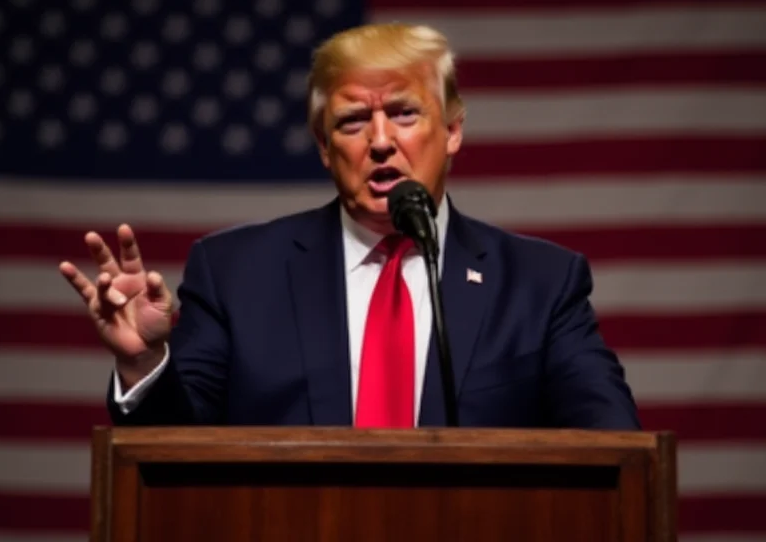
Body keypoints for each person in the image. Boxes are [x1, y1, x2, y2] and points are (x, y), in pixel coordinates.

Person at [59, 22, 641, 430]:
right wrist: (142, 363)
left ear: (454, 130)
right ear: (323, 147)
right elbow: (175, 454)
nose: (382, 141)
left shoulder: (541, 284)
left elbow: (614, 447)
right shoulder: (235, 273)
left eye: (405, 113)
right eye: (354, 120)